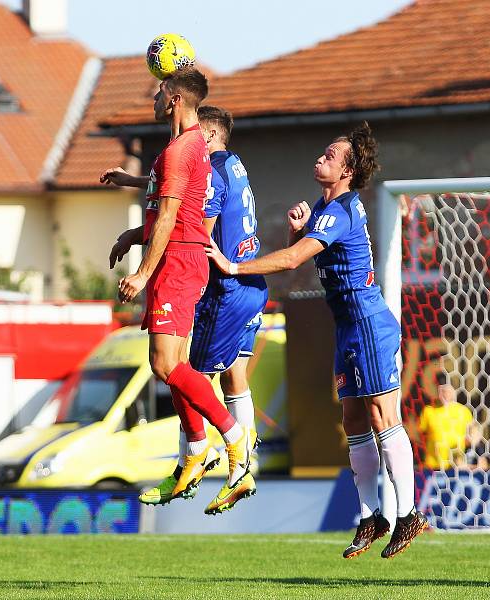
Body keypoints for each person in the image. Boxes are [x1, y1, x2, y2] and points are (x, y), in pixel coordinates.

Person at [206, 121, 427, 559]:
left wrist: (233, 267)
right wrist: (298, 232)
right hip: (346, 324)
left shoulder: (341, 209)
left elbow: (291, 262)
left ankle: (407, 515)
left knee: (384, 417)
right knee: (353, 420)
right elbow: (303, 253)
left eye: (331, 154)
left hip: (367, 321)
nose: (321, 156)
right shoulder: (328, 211)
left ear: (346, 171)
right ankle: (371, 517)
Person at [101, 69, 252, 505]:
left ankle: (234, 441)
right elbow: (166, 200)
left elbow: (169, 216)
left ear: (174, 99)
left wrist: (142, 272)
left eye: (159, 90)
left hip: (179, 262)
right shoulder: (182, 149)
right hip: (179, 258)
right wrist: (133, 234)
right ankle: (194, 453)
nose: (152, 95)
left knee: (167, 365)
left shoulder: (181, 150)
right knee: (173, 367)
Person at [128, 106, 268, 514]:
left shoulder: (213, 172)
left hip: (223, 287)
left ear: (206, 136)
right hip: (250, 289)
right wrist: (137, 182)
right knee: (233, 378)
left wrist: (142, 249)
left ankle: (210, 457)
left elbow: (192, 225)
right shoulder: (233, 166)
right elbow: (183, 186)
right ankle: (239, 454)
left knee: (182, 371)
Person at [409, 375, 476, 470]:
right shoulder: (428, 411)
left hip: (456, 466)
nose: (445, 394)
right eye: (442, 391)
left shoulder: (464, 411)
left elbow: (474, 435)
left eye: (448, 391)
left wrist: (470, 442)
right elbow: (418, 436)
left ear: (454, 391)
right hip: (432, 465)